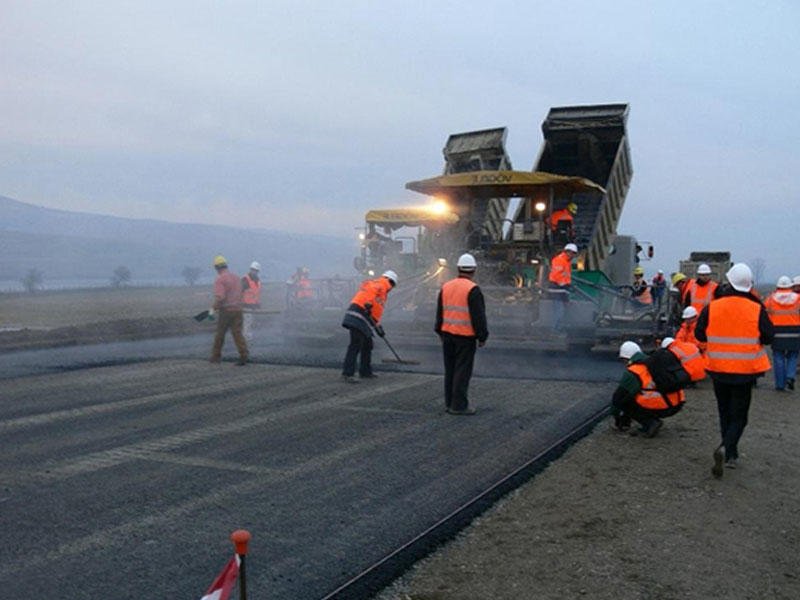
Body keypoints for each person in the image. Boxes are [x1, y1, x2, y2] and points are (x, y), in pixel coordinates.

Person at [695, 263, 774, 477]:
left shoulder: (713, 306)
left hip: (718, 369)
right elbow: (768, 336)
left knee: (724, 411)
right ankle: (728, 451)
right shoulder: (756, 308)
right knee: (740, 415)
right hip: (745, 372)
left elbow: (700, 334)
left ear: (729, 282)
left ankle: (729, 451)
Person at [435, 253, 488, 415]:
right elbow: (478, 315)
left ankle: (449, 403)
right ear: (473, 271)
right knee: (462, 371)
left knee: (450, 369)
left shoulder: (446, 287)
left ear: (458, 269)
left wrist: (439, 331)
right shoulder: (473, 289)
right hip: (465, 337)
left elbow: (440, 312)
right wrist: (482, 336)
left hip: (447, 335)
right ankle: (459, 406)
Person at [610, 340, 685, 437]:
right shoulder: (654, 362)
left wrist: (617, 417)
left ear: (626, 359)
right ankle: (647, 422)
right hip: (677, 403)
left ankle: (650, 423)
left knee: (626, 400)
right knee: (636, 394)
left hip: (663, 405)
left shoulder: (634, 372)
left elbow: (618, 398)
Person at [340, 270, 397, 383]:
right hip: (357, 316)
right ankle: (347, 374)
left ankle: (365, 372)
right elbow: (371, 294)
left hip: (362, 318)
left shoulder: (382, 291)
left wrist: (378, 327)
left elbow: (373, 313)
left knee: (367, 344)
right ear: (391, 282)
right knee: (355, 345)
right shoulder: (381, 284)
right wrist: (368, 304)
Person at [209, 255, 249, 366]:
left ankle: (216, 357)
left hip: (226, 311)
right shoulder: (236, 277)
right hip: (238, 310)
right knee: (237, 334)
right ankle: (244, 355)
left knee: (220, 334)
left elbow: (220, 297)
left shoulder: (220, 279)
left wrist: (212, 309)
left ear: (217, 268)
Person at [764, 276, 800, 391]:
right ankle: (790, 376)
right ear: (790, 286)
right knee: (793, 355)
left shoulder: (770, 299)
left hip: (777, 331)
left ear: (777, 286)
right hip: (795, 330)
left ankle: (780, 384)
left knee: (778, 356)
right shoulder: (798, 298)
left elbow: (765, 315)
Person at [548, 243, 578, 332]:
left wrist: (568, 285)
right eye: (572, 253)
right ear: (567, 252)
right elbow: (557, 277)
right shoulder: (559, 260)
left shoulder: (566, 261)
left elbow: (565, 275)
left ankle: (559, 327)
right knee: (559, 310)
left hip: (562, 288)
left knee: (564, 308)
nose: (573, 256)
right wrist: (566, 285)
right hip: (556, 289)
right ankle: (555, 329)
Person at [241, 261, 262, 341]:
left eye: (255, 270)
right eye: (253, 270)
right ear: (250, 269)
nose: (254, 271)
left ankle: (246, 338)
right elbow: (239, 292)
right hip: (245, 306)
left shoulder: (257, 281)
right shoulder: (245, 280)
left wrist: (257, 303)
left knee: (249, 323)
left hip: (252, 306)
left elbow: (255, 294)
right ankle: (245, 340)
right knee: (247, 323)